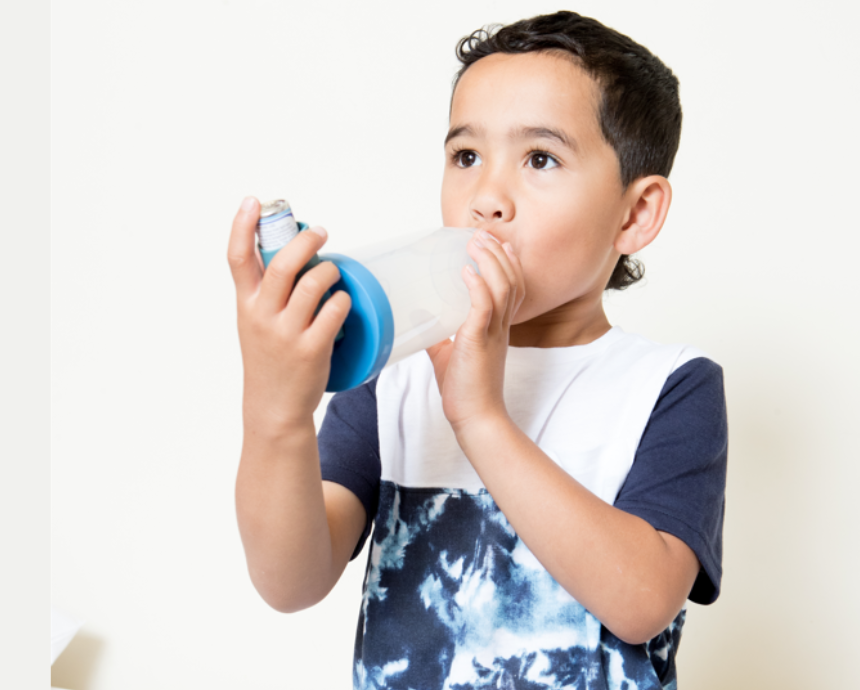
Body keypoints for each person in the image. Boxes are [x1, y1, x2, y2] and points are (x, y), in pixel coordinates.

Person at [228, 10, 727, 689]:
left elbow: (640, 605)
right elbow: (290, 580)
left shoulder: (669, 386)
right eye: (466, 156)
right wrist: (275, 415)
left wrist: (480, 416)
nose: (487, 197)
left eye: (540, 159)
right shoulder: (395, 373)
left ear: (634, 215)